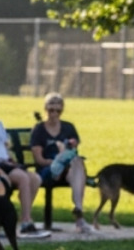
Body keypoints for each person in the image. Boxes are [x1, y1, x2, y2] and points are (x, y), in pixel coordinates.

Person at [0, 88, 46, 237]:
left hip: (6, 162)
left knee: (36, 178)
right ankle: (26, 221)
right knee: (24, 178)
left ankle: (24, 214)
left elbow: (5, 145)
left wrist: (11, 158)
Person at [29, 92, 90, 234]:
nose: (54, 113)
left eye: (58, 110)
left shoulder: (68, 127)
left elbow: (74, 150)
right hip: (48, 169)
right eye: (51, 110)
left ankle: (78, 209)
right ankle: (79, 214)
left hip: (68, 169)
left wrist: (70, 146)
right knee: (75, 165)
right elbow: (39, 159)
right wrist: (53, 161)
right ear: (45, 109)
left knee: (77, 161)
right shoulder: (39, 130)